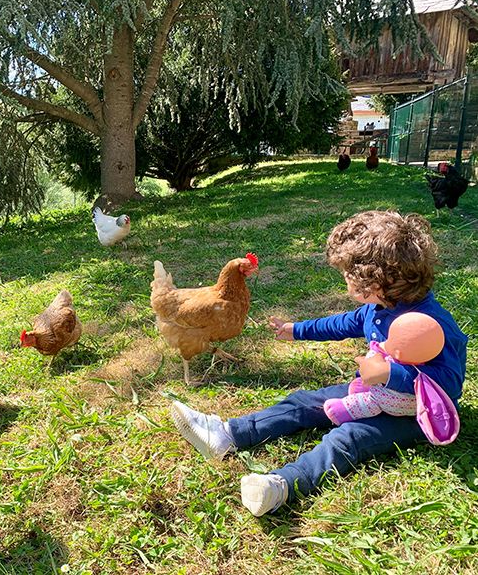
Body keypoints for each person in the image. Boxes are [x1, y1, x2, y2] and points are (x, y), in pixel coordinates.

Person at [170, 210, 468, 516]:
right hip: (370, 393)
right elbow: (342, 324)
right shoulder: (378, 306)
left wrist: (390, 373)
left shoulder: (432, 325)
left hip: (414, 415)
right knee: (304, 403)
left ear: (380, 278)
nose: (345, 282)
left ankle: (281, 486)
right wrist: (296, 330)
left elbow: (450, 384)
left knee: (348, 438)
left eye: (349, 276)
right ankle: (227, 433)